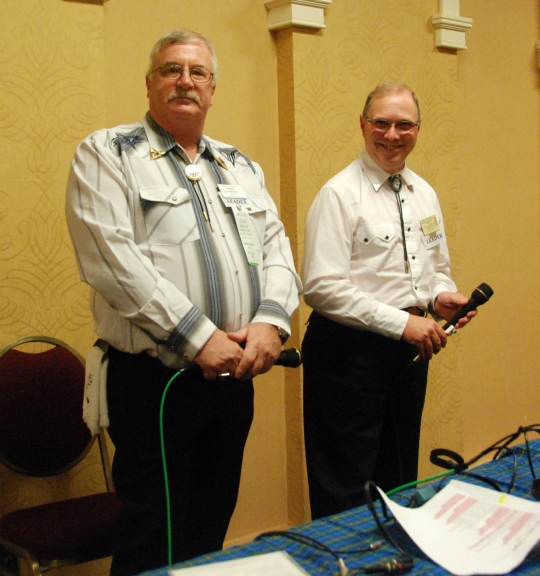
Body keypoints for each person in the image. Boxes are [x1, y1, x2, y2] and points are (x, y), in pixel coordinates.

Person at [65, 29, 301, 575]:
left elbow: (276, 247)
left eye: (198, 72)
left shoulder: (240, 166)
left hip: (233, 377)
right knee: (154, 534)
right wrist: (199, 337)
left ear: (212, 89)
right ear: (150, 83)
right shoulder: (107, 153)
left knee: (209, 525)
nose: (185, 81)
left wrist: (270, 322)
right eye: (172, 69)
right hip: (156, 382)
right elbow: (112, 262)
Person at [301, 82, 475, 520]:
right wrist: (402, 323)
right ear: (362, 125)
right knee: (346, 488)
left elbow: (436, 268)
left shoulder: (424, 193)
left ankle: (394, 553)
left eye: (404, 125)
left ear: (418, 129)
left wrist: (441, 297)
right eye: (381, 123)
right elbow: (320, 286)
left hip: (409, 354)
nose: (392, 135)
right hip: (347, 355)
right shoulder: (339, 194)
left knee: (398, 478)